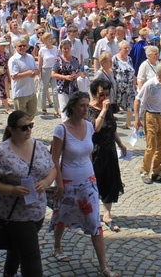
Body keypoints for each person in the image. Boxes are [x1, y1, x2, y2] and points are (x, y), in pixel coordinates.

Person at [49, 91, 119, 277]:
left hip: (88, 181)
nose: (85, 109)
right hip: (69, 182)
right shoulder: (61, 130)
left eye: (87, 105)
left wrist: (92, 175)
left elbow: (89, 152)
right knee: (63, 217)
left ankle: (104, 266)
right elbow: (54, 159)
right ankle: (57, 246)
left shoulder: (89, 126)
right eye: (81, 105)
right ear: (72, 106)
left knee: (95, 223)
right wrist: (60, 183)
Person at [0, 111, 56, 277]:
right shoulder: (0, 154)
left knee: (17, 247)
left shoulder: (38, 146)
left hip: (37, 210)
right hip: (15, 215)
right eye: (24, 128)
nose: (28, 130)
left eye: (30, 126)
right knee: (31, 257)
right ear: (11, 130)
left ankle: (9, 273)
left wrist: (45, 183)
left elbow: (52, 169)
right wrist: (12, 190)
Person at [86, 79, 126, 231]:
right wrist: (103, 110)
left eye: (107, 94)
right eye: (101, 95)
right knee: (95, 183)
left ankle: (107, 214)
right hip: (95, 152)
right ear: (94, 94)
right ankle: (92, 213)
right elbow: (96, 128)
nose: (105, 98)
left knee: (110, 182)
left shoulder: (107, 108)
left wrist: (120, 144)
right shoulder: (89, 109)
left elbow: (112, 127)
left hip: (109, 151)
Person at [134, 60, 161, 185]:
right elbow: (137, 100)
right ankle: (144, 171)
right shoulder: (150, 84)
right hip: (151, 116)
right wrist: (137, 119)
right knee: (151, 146)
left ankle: (156, 172)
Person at [9, 35, 39, 118]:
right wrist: (28, 73)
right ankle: (22, 129)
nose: (22, 47)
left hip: (31, 90)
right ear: (15, 47)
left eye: (24, 45)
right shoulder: (13, 60)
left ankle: (25, 127)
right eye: (20, 46)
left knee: (32, 112)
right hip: (20, 92)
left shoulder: (30, 57)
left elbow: (36, 69)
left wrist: (35, 72)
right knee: (20, 117)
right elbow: (14, 76)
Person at [112, 41, 137, 129]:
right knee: (114, 103)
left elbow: (132, 72)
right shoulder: (114, 58)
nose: (127, 50)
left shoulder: (129, 59)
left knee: (130, 104)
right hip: (118, 86)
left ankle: (128, 123)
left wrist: (135, 84)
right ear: (119, 49)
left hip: (129, 86)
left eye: (128, 48)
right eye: (125, 48)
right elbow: (112, 72)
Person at [36, 32, 60, 117]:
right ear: (45, 40)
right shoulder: (42, 50)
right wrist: (38, 74)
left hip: (54, 70)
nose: (51, 40)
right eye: (49, 38)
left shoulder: (55, 48)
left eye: (52, 38)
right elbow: (40, 64)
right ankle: (44, 108)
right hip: (45, 70)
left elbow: (58, 60)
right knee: (44, 89)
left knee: (55, 90)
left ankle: (56, 109)